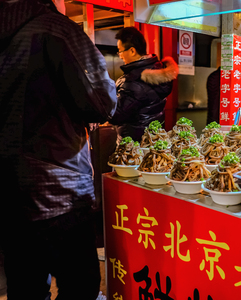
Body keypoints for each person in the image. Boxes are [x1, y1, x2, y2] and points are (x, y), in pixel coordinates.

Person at [0, 0, 117, 299]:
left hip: (9, 191)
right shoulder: (55, 28)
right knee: (80, 284)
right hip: (57, 187)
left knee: (25, 286)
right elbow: (101, 102)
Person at [110, 27, 178, 143]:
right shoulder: (158, 71)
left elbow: (116, 115)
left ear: (132, 50)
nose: (120, 56)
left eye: (120, 51)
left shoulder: (134, 81)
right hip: (154, 140)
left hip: (133, 145)